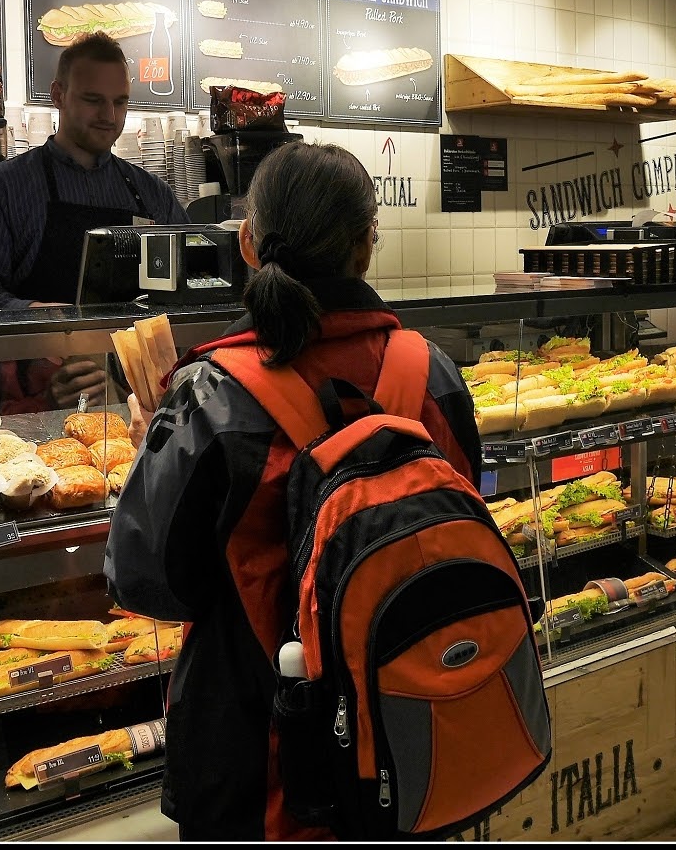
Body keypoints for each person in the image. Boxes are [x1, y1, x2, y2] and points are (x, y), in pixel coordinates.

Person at [104, 142, 482, 841]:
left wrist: (145, 459)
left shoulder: (212, 393)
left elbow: (148, 581)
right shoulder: (431, 373)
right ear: (367, 244)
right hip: (415, 736)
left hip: (262, 767)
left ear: (248, 242)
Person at [0, 30, 188, 410]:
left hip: (135, 400)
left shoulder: (152, 195)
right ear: (58, 95)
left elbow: (188, 288)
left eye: (120, 102)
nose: (109, 116)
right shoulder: (2, 188)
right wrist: (36, 316)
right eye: (93, 100)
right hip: (32, 401)